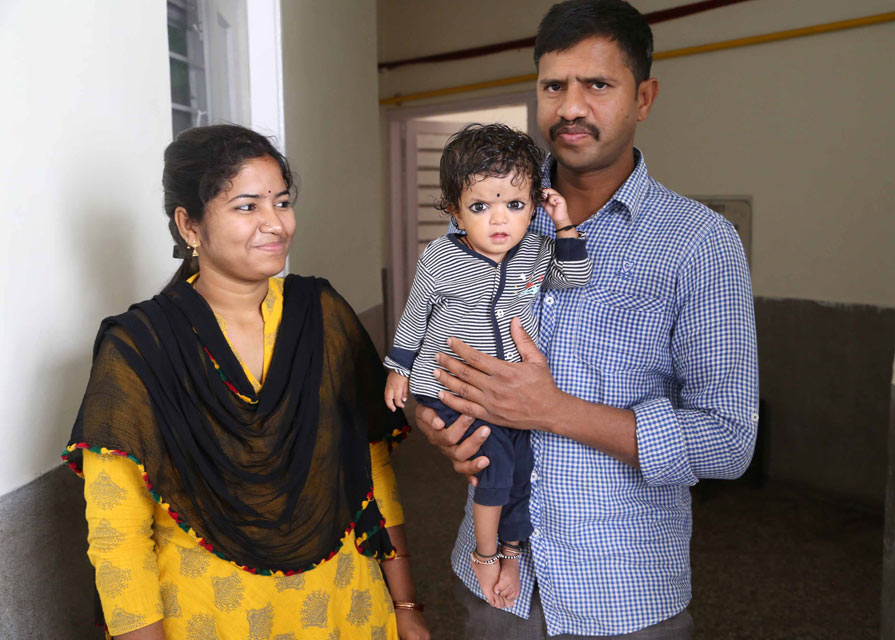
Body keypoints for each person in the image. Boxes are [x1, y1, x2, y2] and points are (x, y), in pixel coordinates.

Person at [414, 1, 759, 638]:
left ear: (644, 96)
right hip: (492, 585)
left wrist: (550, 409)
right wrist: (438, 421)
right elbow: (439, 345)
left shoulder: (699, 243)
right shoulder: (491, 215)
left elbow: (729, 440)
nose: (571, 107)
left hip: (623, 594)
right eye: (554, 86)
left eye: (597, 85)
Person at [63, 125, 430, 640]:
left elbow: (372, 472)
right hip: (208, 615)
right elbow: (116, 534)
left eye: (281, 202)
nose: (274, 224)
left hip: (344, 606)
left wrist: (406, 603)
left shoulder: (320, 315)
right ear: (189, 225)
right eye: (247, 206)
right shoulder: (140, 349)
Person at [383, 124, 591, 610]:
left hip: (514, 389)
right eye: (480, 206)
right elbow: (416, 314)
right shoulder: (441, 257)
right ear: (454, 211)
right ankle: (485, 553)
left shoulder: (536, 252)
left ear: (535, 206)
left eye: (515, 205)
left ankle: (512, 547)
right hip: (453, 382)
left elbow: (575, 277)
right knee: (495, 466)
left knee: (523, 468)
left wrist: (563, 225)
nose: (499, 219)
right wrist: (399, 369)